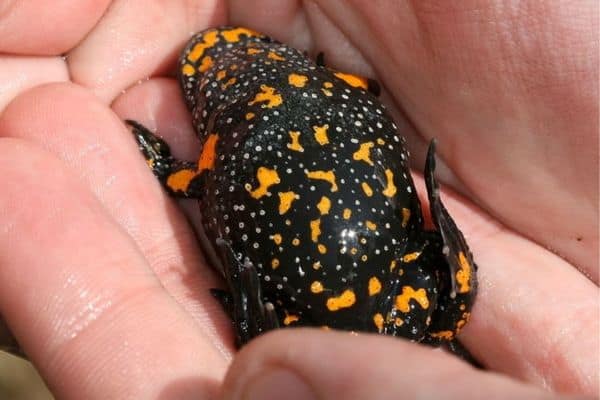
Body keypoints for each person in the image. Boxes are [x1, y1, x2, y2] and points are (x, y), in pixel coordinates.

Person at [0, 1, 597, 399]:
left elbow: (212, 185)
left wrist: (177, 173)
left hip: (289, 120)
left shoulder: (407, 304)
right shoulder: (417, 307)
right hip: (294, 120)